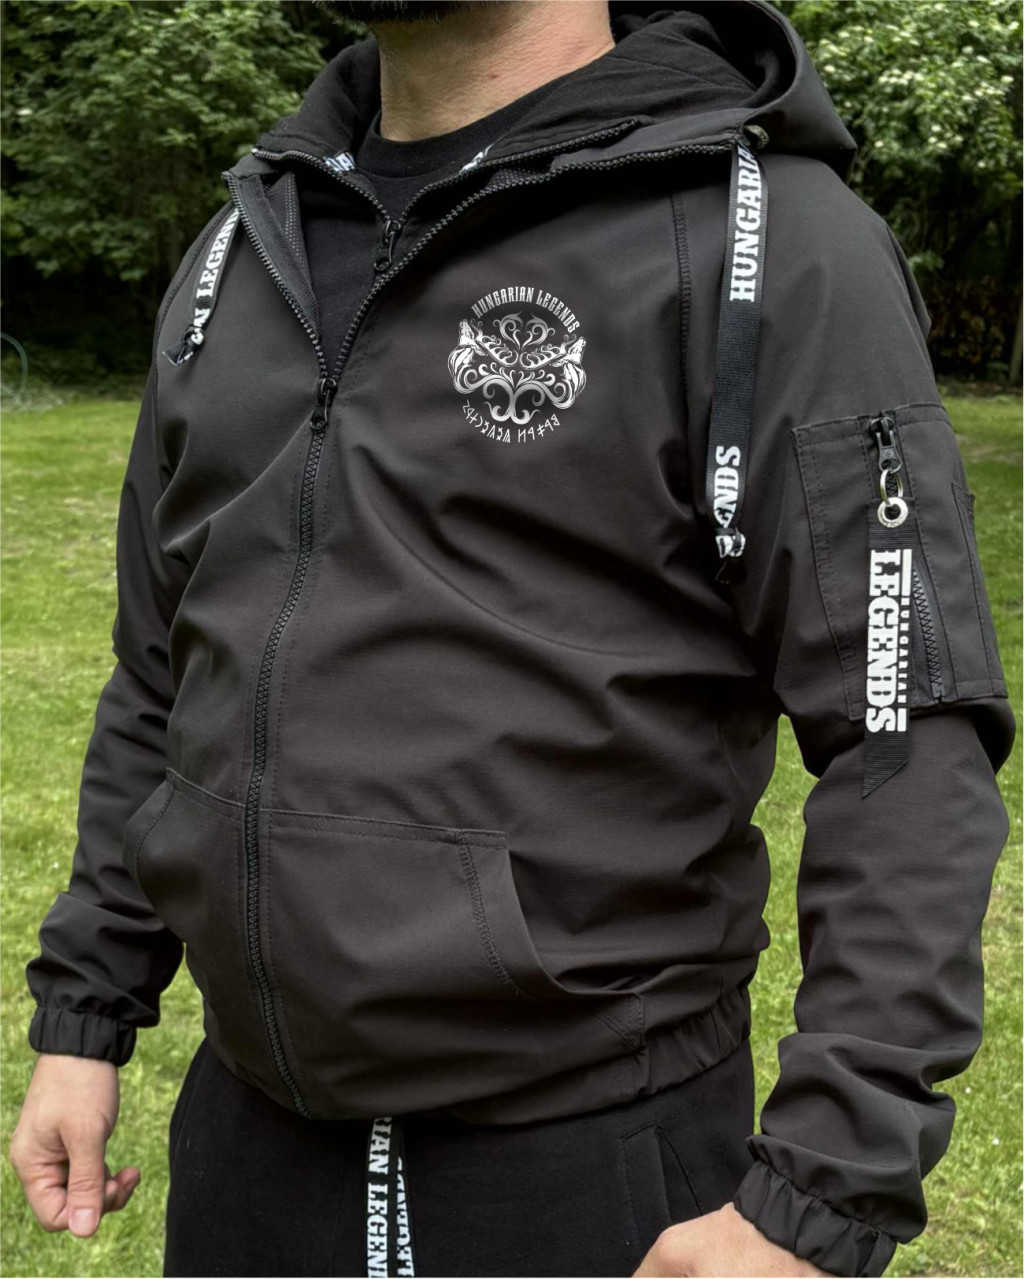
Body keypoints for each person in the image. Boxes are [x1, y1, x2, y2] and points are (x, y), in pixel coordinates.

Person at [10, 2, 1013, 1276]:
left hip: (590, 1167)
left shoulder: (768, 242)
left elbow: (899, 731)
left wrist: (822, 1192)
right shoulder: (244, 247)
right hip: (248, 1151)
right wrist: (86, 1011)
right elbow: (162, 670)